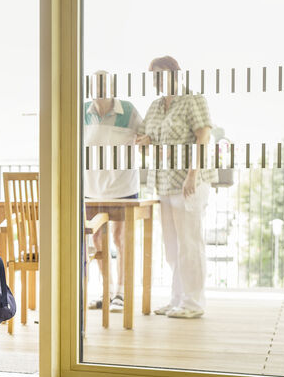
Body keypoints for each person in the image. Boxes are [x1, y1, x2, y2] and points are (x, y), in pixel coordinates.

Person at [136, 56, 215, 319]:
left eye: (161, 74)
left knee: (190, 243)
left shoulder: (192, 99)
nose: (157, 81)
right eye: (154, 76)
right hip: (163, 183)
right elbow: (147, 139)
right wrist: (145, 141)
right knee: (172, 245)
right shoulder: (156, 106)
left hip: (188, 182)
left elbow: (203, 137)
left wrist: (193, 175)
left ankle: (193, 303)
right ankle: (177, 299)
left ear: (174, 74)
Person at [84, 70, 143, 313]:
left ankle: (122, 293)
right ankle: (107, 292)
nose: (100, 88)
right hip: (92, 187)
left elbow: (144, 136)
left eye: (104, 83)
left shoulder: (127, 110)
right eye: (95, 83)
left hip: (122, 186)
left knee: (121, 239)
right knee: (97, 240)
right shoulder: (84, 111)